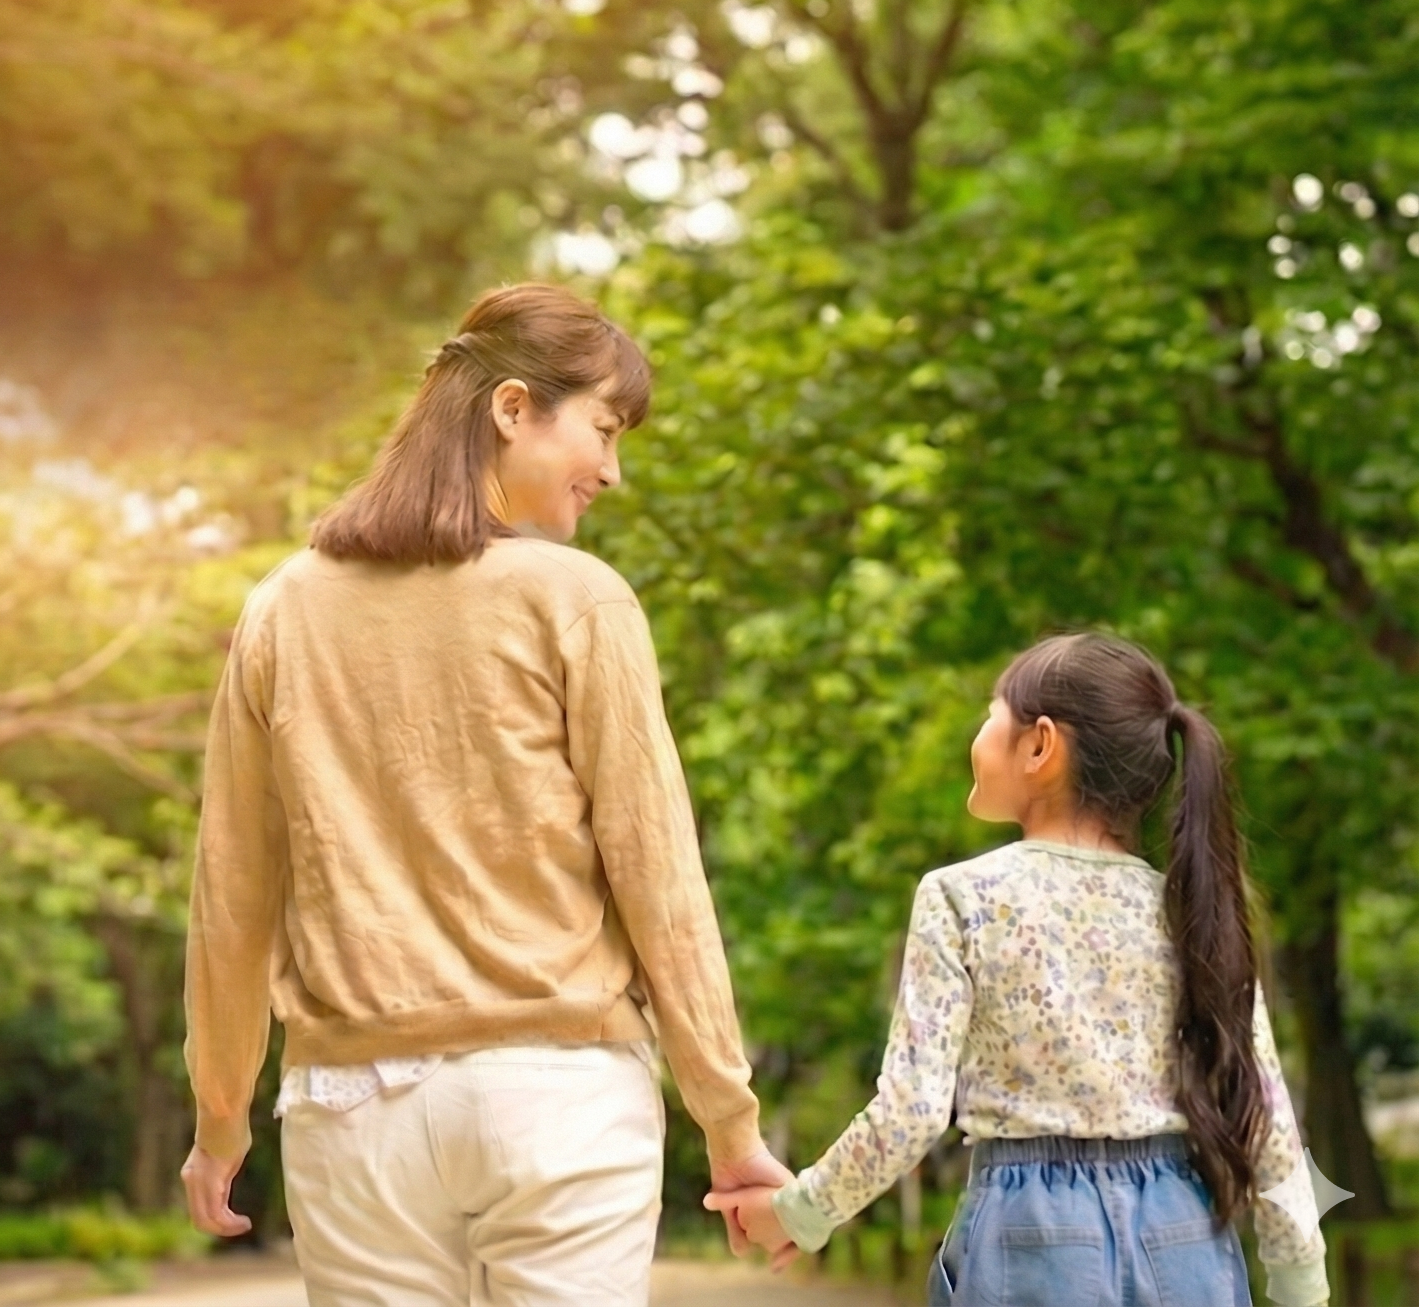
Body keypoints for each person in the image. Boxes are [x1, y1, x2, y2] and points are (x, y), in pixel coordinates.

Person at [180, 282, 787, 1304]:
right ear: (512, 409)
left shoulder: (284, 604)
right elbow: (658, 877)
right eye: (601, 428)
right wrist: (728, 1125)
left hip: (352, 1106)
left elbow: (232, 892)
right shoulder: (577, 598)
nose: (613, 469)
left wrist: (220, 1114)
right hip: (560, 1096)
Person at [710, 631, 1331, 1307]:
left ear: (1039, 745)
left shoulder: (962, 897)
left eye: (989, 714)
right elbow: (1263, 1114)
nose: (977, 735)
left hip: (1032, 1236)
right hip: (1183, 1232)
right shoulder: (1193, 911)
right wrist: (1301, 1282)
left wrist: (800, 1212)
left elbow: (913, 1112)